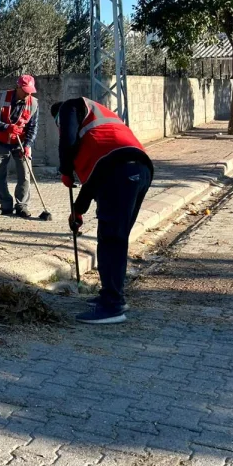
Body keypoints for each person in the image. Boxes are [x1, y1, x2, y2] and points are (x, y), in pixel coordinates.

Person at [51, 97, 154, 325]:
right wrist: (78, 210)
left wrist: (65, 169)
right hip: (139, 169)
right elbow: (98, 175)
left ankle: (112, 306)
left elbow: (66, 142)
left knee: (111, 239)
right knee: (116, 237)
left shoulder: (70, 106)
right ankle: (112, 295)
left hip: (120, 173)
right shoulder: (102, 122)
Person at [0, 75, 39, 217]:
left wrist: (28, 145)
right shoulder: (2, 98)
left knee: (25, 174)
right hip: (0, 141)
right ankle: (5, 205)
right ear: (18, 87)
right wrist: (6, 126)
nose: (28, 94)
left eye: (30, 91)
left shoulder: (33, 103)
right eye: (25, 90)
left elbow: (33, 127)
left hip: (20, 143)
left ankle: (22, 205)